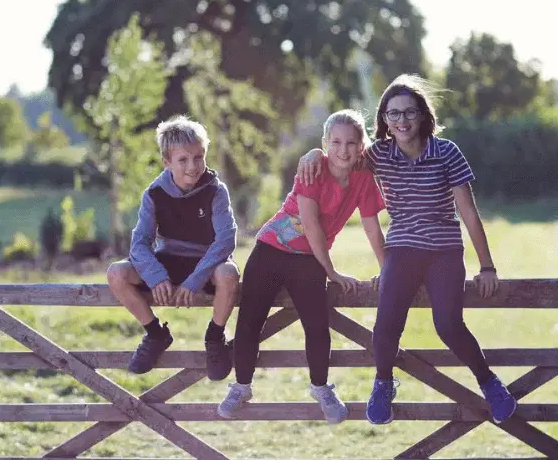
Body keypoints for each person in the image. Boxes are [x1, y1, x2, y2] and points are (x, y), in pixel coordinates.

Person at [297, 75, 518, 425]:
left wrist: (487, 266)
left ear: (423, 115)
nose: (401, 121)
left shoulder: (447, 152)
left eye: (409, 113)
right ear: (384, 120)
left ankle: (489, 382)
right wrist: (312, 152)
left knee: (447, 324)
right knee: (386, 325)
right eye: (393, 114)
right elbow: (340, 155)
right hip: (400, 250)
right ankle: (383, 382)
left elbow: (469, 213)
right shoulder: (378, 154)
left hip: (444, 250)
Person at [218, 109, 386, 424]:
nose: (343, 149)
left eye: (351, 142)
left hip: (308, 259)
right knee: (250, 319)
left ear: (362, 146)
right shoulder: (313, 168)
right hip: (270, 250)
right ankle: (241, 386)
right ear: (325, 143)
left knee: (316, 324)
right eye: (335, 141)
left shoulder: (364, 178)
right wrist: (333, 272)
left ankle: (321, 388)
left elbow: (372, 228)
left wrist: (386, 268)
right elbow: (310, 224)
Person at [106, 116, 240, 381]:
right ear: (167, 162)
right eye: (183, 160)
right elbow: (139, 244)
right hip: (167, 261)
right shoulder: (153, 194)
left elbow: (225, 240)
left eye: (199, 157)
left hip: (207, 264)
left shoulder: (216, 190)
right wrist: (156, 276)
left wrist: (195, 281)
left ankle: (215, 338)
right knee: (116, 273)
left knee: (229, 274)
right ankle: (155, 333)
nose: (193, 166)